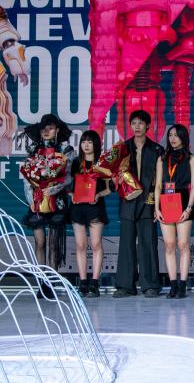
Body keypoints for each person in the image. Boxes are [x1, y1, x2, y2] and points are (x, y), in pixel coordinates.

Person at [18, 114, 73, 294]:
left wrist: (54, 189)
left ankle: (52, 282)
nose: (46, 131)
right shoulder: (33, 150)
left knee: (53, 244)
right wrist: (31, 200)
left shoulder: (66, 150)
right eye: (44, 128)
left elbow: (68, 177)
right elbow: (27, 178)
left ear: (57, 130)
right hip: (37, 201)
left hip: (57, 201)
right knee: (39, 242)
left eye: (50, 128)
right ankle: (41, 282)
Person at [114, 109, 164, 298]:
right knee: (126, 244)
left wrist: (158, 205)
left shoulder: (157, 150)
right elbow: (112, 175)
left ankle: (150, 285)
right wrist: (116, 179)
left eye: (141, 123)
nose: (137, 127)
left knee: (148, 243)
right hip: (127, 201)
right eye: (134, 123)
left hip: (148, 201)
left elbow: (161, 181)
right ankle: (125, 286)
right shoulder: (122, 148)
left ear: (148, 126)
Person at [155, 124, 194, 299]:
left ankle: (182, 284)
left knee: (183, 244)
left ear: (183, 137)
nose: (173, 138)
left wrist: (189, 208)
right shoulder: (162, 159)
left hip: (183, 201)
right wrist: (156, 208)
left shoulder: (191, 159)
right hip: (166, 201)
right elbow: (158, 186)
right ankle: (172, 284)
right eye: (170, 135)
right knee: (169, 245)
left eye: (176, 135)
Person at [70, 129, 113, 298]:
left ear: (96, 144)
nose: (86, 145)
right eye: (83, 142)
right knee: (80, 245)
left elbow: (109, 189)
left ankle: (95, 283)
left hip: (95, 207)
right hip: (77, 207)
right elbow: (67, 186)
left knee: (96, 245)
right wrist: (72, 195)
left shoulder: (102, 163)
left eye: (89, 142)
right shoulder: (75, 163)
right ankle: (83, 282)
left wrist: (98, 195)